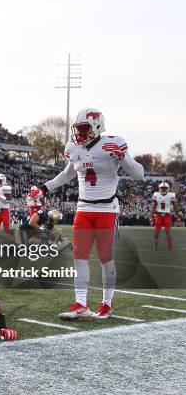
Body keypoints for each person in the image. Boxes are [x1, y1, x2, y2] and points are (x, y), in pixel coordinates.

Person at [39, 108, 144, 320]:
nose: (79, 133)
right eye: (78, 128)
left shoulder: (111, 144)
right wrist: (44, 188)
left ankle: (106, 304)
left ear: (96, 127)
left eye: (84, 128)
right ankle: (80, 304)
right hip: (84, 209)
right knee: (80, 257)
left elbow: (138, 174)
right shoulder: (74, 147)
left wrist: (124, 157)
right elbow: (68, 172)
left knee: (105, 258)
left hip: (106, 209)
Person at [151, 182, 180, 250]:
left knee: (167, 232)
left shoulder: (171, 195)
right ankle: (155, 246)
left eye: (165, 188)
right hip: (159, 215)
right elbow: (154, 206)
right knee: (156, 232)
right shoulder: (156, 194)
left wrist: (178, 217)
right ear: (159, 188)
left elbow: (175, 207)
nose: (163, 189)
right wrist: (151, 216)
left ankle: (170, 247)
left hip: (167, 215)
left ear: (168, 189)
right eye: (162, 188)